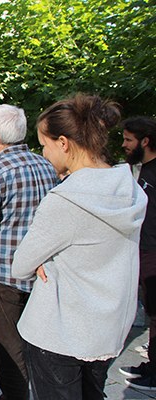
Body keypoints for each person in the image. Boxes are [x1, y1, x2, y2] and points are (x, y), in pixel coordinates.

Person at [9, 94, 147, 399]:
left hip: (59, 332)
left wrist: (48, 260)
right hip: (107, 330)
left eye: (44, 145)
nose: (44, 154)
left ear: (63, 143)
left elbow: (21, 264)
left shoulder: (67, 200)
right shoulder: (130, 190)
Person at [0, 104, 57, 400]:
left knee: (7, 346)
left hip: (3, 273)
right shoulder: (45, 164)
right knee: (39, 340)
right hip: (42, 268)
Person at [119, 116, 156, 391]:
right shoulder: (142, 170)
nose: (124, 145)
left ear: (145, 141)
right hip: (144, 250)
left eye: (128, 140)